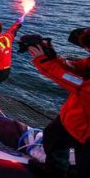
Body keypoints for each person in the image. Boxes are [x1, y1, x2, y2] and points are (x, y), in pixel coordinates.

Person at [27, 29, 90, 177]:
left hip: (86, 133)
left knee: (85, 167)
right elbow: (78, 67)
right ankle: (55, 171)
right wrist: (53, 57)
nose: (86, 50)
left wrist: (43, 61)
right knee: (52, 138)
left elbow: (78, 83)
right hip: (73, 118)